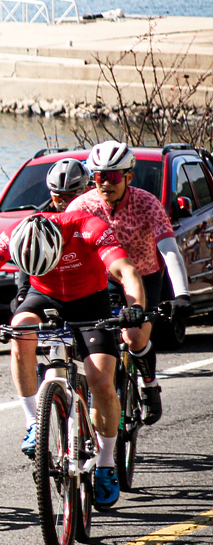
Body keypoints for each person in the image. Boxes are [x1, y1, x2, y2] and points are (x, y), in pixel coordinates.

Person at [0, 209, 147, 509]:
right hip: (44, 297)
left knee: (101, 380)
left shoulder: (86, 226)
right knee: (19, 332)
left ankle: (105, 462)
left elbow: (126, 270)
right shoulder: (17, 232)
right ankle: (33, 422)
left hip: (90, 302)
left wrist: (134, 306)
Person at [79, 139, 189, 424]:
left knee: (135, 336)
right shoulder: (83, 205)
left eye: (113, 177)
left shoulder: (146, 203)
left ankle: (149, 385)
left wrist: (182, 295)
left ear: (128, 177)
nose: (106, 183)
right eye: (100, 177)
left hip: (144, 276)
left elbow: (169, 249)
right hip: (101, 279)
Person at [11, 157, 91, 309]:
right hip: (50, 284)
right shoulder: (39, 217)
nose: (64, 203)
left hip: (87, 284)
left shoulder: (93, 214)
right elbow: (28, 255)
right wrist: (22, 292)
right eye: (58, 197)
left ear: (86, 191)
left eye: (71, 197)